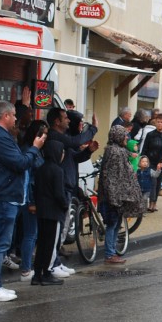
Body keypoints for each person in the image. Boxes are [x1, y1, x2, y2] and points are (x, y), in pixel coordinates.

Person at [0, 101, 46, 302]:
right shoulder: (0, 137)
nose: (16, 119)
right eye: (14, 115)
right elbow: (20, 163)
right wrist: (35, 148)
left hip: (1, 195)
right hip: (2, 197)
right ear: (6, 116)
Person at [46, 108, 98, 278]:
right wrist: (93, 128)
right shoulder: (56, 136)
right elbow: (77, 141)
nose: (68, 121)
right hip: (59, 189)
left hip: (68, 187)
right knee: (56, 230)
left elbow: (74, 157)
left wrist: (88, 151)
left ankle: (56, 262)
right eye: (65, 118)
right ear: (57, 122)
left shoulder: (64, 139)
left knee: (62, 228)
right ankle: (50, 265)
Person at [98, 125, 144, 263]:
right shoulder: (115, 152)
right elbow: (111, 176)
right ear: (118, 136)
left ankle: (112, 252)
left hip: (117, 194)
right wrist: (113, 197)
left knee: (116, 223)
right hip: (114, 196)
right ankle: (109, 254)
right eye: (124, 135)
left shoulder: (116, 150)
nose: (126, 138)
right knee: (112, 224)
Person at [32, 140, 68, 285]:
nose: (63, 154)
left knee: (41, 243)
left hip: (41, 211)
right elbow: (59, 194)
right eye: (62, 152)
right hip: (54, 212)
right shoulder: (58, 170)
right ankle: (46, 273)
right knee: (50, 244)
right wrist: (65, 205)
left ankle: (37, 274)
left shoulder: (40, 169)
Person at [18, 120, 47, 283]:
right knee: (30, 234)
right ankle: (26, 268)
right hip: (30, 198)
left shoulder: (36, 150)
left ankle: (27, 266)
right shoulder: (30, 151)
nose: (45, 138)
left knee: (31, 233)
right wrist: (30, 201)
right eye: (43, 134)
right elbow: (28, 179)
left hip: (33, 197)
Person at [141, 111, 162, 212]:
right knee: (153, 182)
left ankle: (154, 203)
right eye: (158, 122)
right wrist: (143, 159)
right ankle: (151, 203)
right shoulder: (150, 134)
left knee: (158, 183)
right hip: (150, 162)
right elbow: (145, 148)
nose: (159, 124)